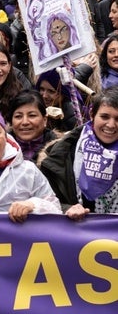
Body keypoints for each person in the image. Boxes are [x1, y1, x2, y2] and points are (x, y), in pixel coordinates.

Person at [40, 86, 118, 217]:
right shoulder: (62, 152)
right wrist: (68, 209)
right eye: (104, 117)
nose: (111, 125)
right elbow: (44, 199)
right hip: (74, 234)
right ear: (92, 114)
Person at [8, 90, 58, 162]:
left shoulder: (58, 150)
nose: (25, 122)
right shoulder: (0, 151)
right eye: (18, 116)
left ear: (44, 120)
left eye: (32, 115)